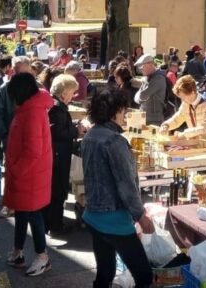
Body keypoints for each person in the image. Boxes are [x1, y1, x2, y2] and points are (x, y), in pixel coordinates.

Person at [81, 88, 155, 288]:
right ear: (114, 112)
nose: (124, 116)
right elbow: (126, 183)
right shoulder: (114, 141)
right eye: (123, 111)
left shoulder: (90, 136)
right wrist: (140, 214)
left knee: (105, 273)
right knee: (144, 275)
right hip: (113, 218)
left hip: (93, 213)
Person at [4, 72, 54, 276]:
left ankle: (42, 257)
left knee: (33, 214)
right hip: (28, 172)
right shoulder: (30, 107)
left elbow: (33, 150)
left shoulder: (32, 111)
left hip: (29, 174)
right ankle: (18, 252)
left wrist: (15, 169)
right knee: (22, 211)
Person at [44, 74, 83, 235]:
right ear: (64, 92)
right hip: (58, 155)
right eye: (72, 92)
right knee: (57, 189)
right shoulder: (57, 107)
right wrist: (76, 130)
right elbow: (57, 131)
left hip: (58, 153)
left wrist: (73, 126)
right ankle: (55, 225)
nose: (73, 96)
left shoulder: (55, 105)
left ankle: (53, 222)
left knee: (57, 189)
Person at [161, 75, 206, 144]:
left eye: (183, 97)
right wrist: (166, 125)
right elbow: (177, 119)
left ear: (192, 92)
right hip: (198, 144)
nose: (182, 100)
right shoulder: (186, 104)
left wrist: (185, 134)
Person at [134, 54, 167, 125]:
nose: (140, 69)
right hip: (146, 117)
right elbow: (137, 98)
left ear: (149, 64)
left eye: (141, 66)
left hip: (154, 120)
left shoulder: (158, 78)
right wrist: (139, 97)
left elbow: (142, 95)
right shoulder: (148, 78)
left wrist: (139, 97)